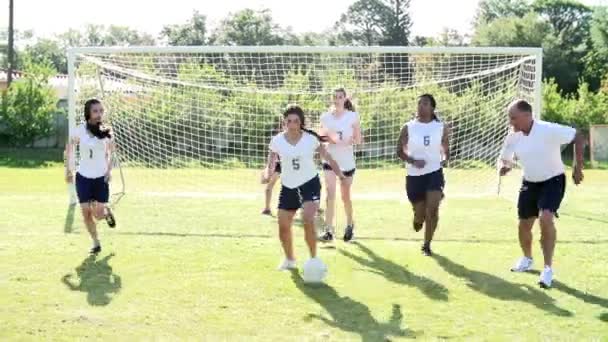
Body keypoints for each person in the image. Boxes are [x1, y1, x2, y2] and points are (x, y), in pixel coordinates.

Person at [499, 99, 584, 288]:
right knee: (524, 225)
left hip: (553, 181)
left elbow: (578, 136)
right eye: (509, 118)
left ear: (527, 116)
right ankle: (527, 259)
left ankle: (547, 269)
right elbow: (506, 158)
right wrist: (505, 167)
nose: (510, 122)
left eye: (514, 118)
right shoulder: (513, 136)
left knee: (546, 219)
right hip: (530, 181)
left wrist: (578, 166)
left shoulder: (547, 129)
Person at [262, 105, 346, 271]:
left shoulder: (310, 139)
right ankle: (289, 259)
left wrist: (340, 175)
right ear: (284, 122)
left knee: (308, 218)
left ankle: (314, 259)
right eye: (289, 121)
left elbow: (327, 157)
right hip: (288, 187)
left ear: (301, 122)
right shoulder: (277, 141)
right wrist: (267, 175)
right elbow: (270, 164)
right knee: (283, 225)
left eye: (296, 121)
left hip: (310, 184)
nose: (292, 124)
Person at [396, 94, 450, 256]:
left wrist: (445, 159)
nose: (421, 106)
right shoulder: (408, 127)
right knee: (420, 215)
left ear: (432, 107)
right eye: (419, 103)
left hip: (434, 172)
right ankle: (417, 219)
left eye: (425, 103)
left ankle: (426, 245)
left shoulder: (441, 127)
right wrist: (413, 160)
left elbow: (446, 148)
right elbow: (399, 151)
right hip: (414, 176)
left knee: (432, 210)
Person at [65, 99, 117, 254]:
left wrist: (109, 171)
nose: (99, 114)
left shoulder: (107, 132)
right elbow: (69, 150)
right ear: (88, 113)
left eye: (101, 111)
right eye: (95, 111)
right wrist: (68, 170)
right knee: (86, 213)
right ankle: (96, 243)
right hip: (83, 178)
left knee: (98, 215)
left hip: (101, 178)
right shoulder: (79, 131)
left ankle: (106, 212)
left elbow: (111, 154)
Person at [318, 88, 362, 242]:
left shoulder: (352, 116)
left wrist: (349, 141)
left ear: (345, 99)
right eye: (335, 97)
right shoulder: (325, 117)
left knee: (345, 197)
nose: (337, 99)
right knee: (330, 195)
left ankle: (350, 225)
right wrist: (330, 139)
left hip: (347, 162)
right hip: (330, 161)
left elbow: (358, 140)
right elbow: (321, 137)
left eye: (340, 97)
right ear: (332, 99)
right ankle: (328, 231)